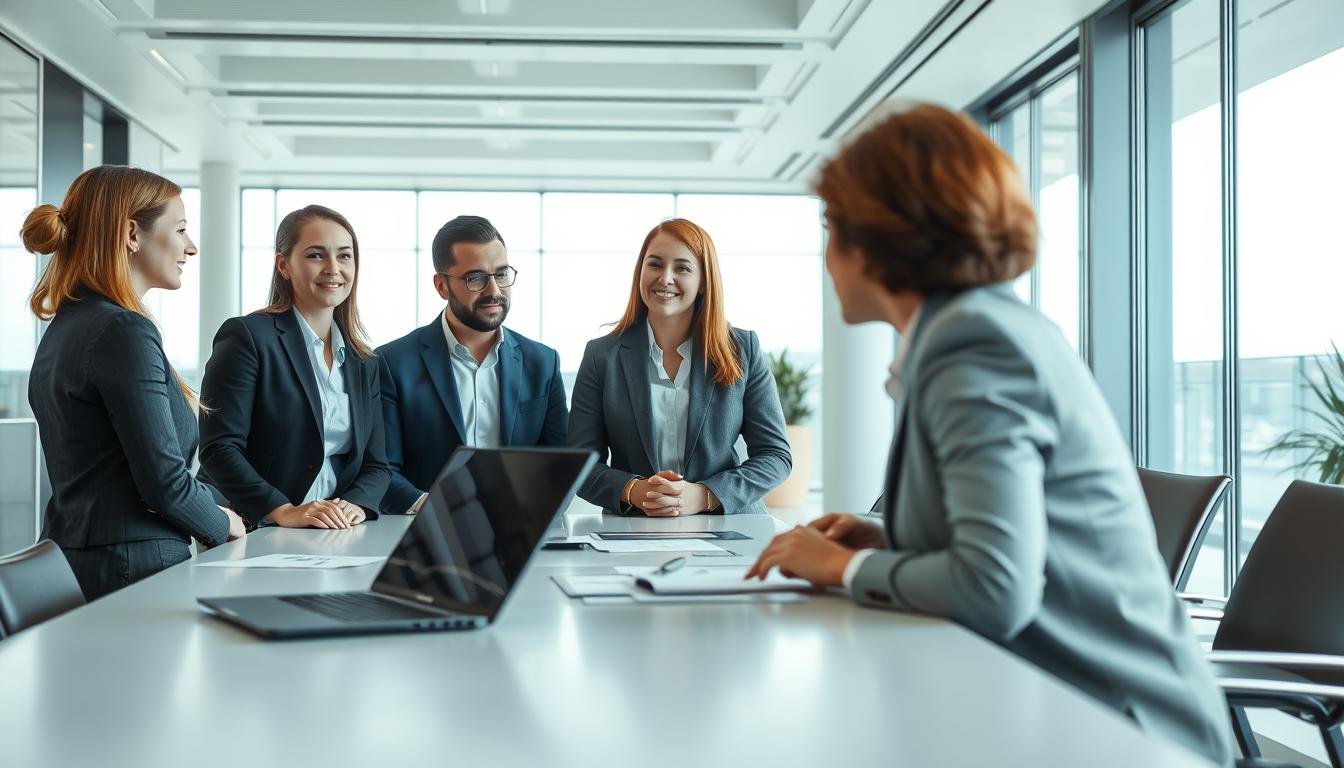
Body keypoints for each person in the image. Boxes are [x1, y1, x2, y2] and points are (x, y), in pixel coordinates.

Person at [744, 103, 1233, 764]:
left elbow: (996, 590)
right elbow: (1026, 547)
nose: (826, 255)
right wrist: (888, 537)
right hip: (1045, 700)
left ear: (884, 235)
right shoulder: (975, 328)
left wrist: (844, 567)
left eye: (833, 228)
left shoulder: (972, 343)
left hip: (1117, 728)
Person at [24, 165, 245, 600]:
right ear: (131, 234)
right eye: (180, 230)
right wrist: (227, 524)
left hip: (82, 559)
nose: (191, 247)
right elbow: (165, 481)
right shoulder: (123, 330)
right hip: (132, 567)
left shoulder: (68, 325)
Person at [568, 218, 791, 516]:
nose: (665, 278)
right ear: (640, 272)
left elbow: (775, 456)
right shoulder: (601, 355)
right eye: (655, 264)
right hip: (634, 527)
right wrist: (634, 490)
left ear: (703, 283)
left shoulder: (742, 348)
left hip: (729, 525)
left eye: (682, 268)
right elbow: (579, 462)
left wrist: (705, 495)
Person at [198, 205, 388, 529]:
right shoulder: (247, 337)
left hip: (330, 530)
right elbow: (219, 449)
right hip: (254, 527)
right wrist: (282, 510)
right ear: (283, 264)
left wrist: (355, 503)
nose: (333, 269)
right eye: (316, 255)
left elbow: (376, 466)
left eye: (344, 256)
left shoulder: (362, 360)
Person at [377, 215, 567, 516]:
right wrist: (435, 508)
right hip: (426, 532)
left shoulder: (542, 362)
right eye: (475, 278)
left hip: (521, 528)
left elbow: (562, 464)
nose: (494, 290)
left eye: (501, 275)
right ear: (441, 285)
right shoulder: (392, 362)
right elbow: (382, 470)